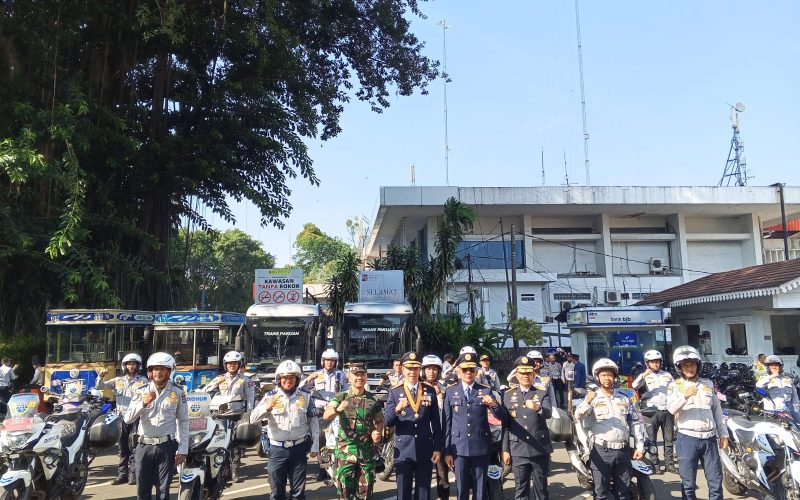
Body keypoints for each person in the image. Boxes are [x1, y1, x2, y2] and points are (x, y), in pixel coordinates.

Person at [574, 358, 645, 500]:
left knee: (623, 493)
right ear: (597, 378)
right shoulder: (592, 398)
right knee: (601, 493)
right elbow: (578, 416)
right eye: (603, 375)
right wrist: (587, 401)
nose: (607, 378)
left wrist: (640, 446)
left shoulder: (624, 399)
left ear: (615, 377)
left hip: (622, 451)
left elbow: (636, 422)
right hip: (601, 451)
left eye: (610, 375)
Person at [251, 359, 320, 500]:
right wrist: (266, 407)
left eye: (292, 378)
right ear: (279, 379)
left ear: (297, 379)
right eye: (285, 378)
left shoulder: (305, 397)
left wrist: (315, 445)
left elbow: (313, 422)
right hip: (277, 450)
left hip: (299, 449)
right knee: (276, 493)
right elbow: (253, 418)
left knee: (298, 493)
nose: (289, 381)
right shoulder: (270, 397)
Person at [124, 353, 189, 500]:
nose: (158, 372)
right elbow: (128, 419)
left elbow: (183, 421)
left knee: (163, 490)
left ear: (169, 371)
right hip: (143, 446)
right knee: (142, 490)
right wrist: (143, 403)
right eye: (155, 369)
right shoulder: (141, 391)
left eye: (162, 369)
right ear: (150, 372)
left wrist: (183, 450)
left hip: (167, 446)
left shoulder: (178, 392)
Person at [443, 352, 507, 500]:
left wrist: (493, 404)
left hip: (481, 447)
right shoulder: (450, 391)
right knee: (462, 489)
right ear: (458, 370)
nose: (468, 373)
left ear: (476, 371)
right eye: (464, 370)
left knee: (480, 490)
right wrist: (447, 452)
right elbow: (447, 423)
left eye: (471, 370)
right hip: (458, 448)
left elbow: (502, 417)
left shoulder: (485, 390)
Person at [667, 345, 727, 500]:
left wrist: (723, 434)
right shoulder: (674, 386)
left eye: (692, 364)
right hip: (687, 439)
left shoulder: (708, 384)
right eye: (685, 365)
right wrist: (684, 396)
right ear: (679, 367)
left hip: (709, 439)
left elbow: (717, 411)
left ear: (698, 365)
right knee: (688, 483)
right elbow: (671, 409)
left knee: (715, 481)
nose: (690, 368)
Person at [385, 352, 443, 500]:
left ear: (420, 370)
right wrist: (397, 409)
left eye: (416, 368)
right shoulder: (394, 392)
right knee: (403, 493)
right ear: (403, 370)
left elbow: (436, 423)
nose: (412, 372)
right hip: (403, 450)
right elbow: (387, 422)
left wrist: (437, 448)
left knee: (423, 493)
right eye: (409, 368)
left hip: (425, 448)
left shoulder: (429, 391)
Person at [322, 363, 384, 500]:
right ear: (349, 378)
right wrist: (338, 409)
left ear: (366, 377)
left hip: (366, 452)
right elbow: (326, 415)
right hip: (345, 452)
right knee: (344, 492)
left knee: (366, 491)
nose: (359, 377)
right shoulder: (340, 397)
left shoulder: (373, 400)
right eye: (356, 375)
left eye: (362, 374)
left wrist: (377, 433)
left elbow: (379, 421)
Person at [502, 355, 553, 500]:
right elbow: (506, 425)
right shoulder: (508, 395)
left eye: (528, 373)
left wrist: (538, 408)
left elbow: (548, 413)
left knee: (541, 490)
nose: (525, 376)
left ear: (533, 374)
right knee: (521, 490)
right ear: (516, 375)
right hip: (518, 449)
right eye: (522, 373)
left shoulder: (541, 393)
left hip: (539, 448)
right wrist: (505, 450)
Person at [201, 350, 254, 482]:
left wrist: (248, 415)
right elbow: (205, 392)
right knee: (221, 442)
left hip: (238, 415)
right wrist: (215, 383)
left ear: (238, 364)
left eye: (234, 364)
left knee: (236, 444)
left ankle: (234, 471)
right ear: (225, 365)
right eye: (229, 364)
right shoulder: (220, 378)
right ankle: (221, 469)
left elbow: (251, 398)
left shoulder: (245, 380)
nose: (232, 366)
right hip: (221, 415)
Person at [97, 353, 149, 485]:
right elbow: (100, 387)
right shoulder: (117, 381)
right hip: (121, 418)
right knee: (122, 447)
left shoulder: (143, 381)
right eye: (129, 364)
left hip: (137, 417)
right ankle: (122, 474)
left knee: (134, 445)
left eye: (134, 364)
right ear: (124, 366)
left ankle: (133, 474)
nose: (131, 366)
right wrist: (101, 377)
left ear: (138, 366)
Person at [300, 348, 348, 481]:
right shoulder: (317, 375)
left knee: (336, 439)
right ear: (323, 361)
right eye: (327, 360)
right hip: (319, 412)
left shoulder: (341, 375)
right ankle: (322, 469)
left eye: (332, 360)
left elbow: (347, 392)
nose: (329, 363)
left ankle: (335, 468)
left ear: (336, 362)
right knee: (320, 440)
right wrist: (308, 378)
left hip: (334, 411)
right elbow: (300, 389)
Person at [632, 349, 675, 473]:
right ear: (647, 363)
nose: (655, 364)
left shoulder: (667, 375)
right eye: (652, 362)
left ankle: (669, 464)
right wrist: (644, 375)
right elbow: (635, 386)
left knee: (669, 438)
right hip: (650, 411)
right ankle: (655, 465)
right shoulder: (643, 376)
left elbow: (674, 390)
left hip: (667, 410)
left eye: (657, 362)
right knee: (651, 440)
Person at [421, 354, 450, 500]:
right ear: (423, 371)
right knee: (423, 472)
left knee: (442, 472)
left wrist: (442, 395)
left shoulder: (445, 389)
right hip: (423, 435)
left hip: (440, 434)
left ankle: (443, 496)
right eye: (428, 369)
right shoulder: (418, 388)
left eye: (434, 369)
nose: (431, 372)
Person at [756, 355, 800, 423]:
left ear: (780, 366)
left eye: (776, 365)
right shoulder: (765, 378)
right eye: (771, 365)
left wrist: (796, 407)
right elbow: (758, 386)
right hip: (772, 412)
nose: (774, 367)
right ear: (768, 367)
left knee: (796, 427)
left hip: (787, 410)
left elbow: (794, 394)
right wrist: (771, 377)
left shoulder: (787, 378)